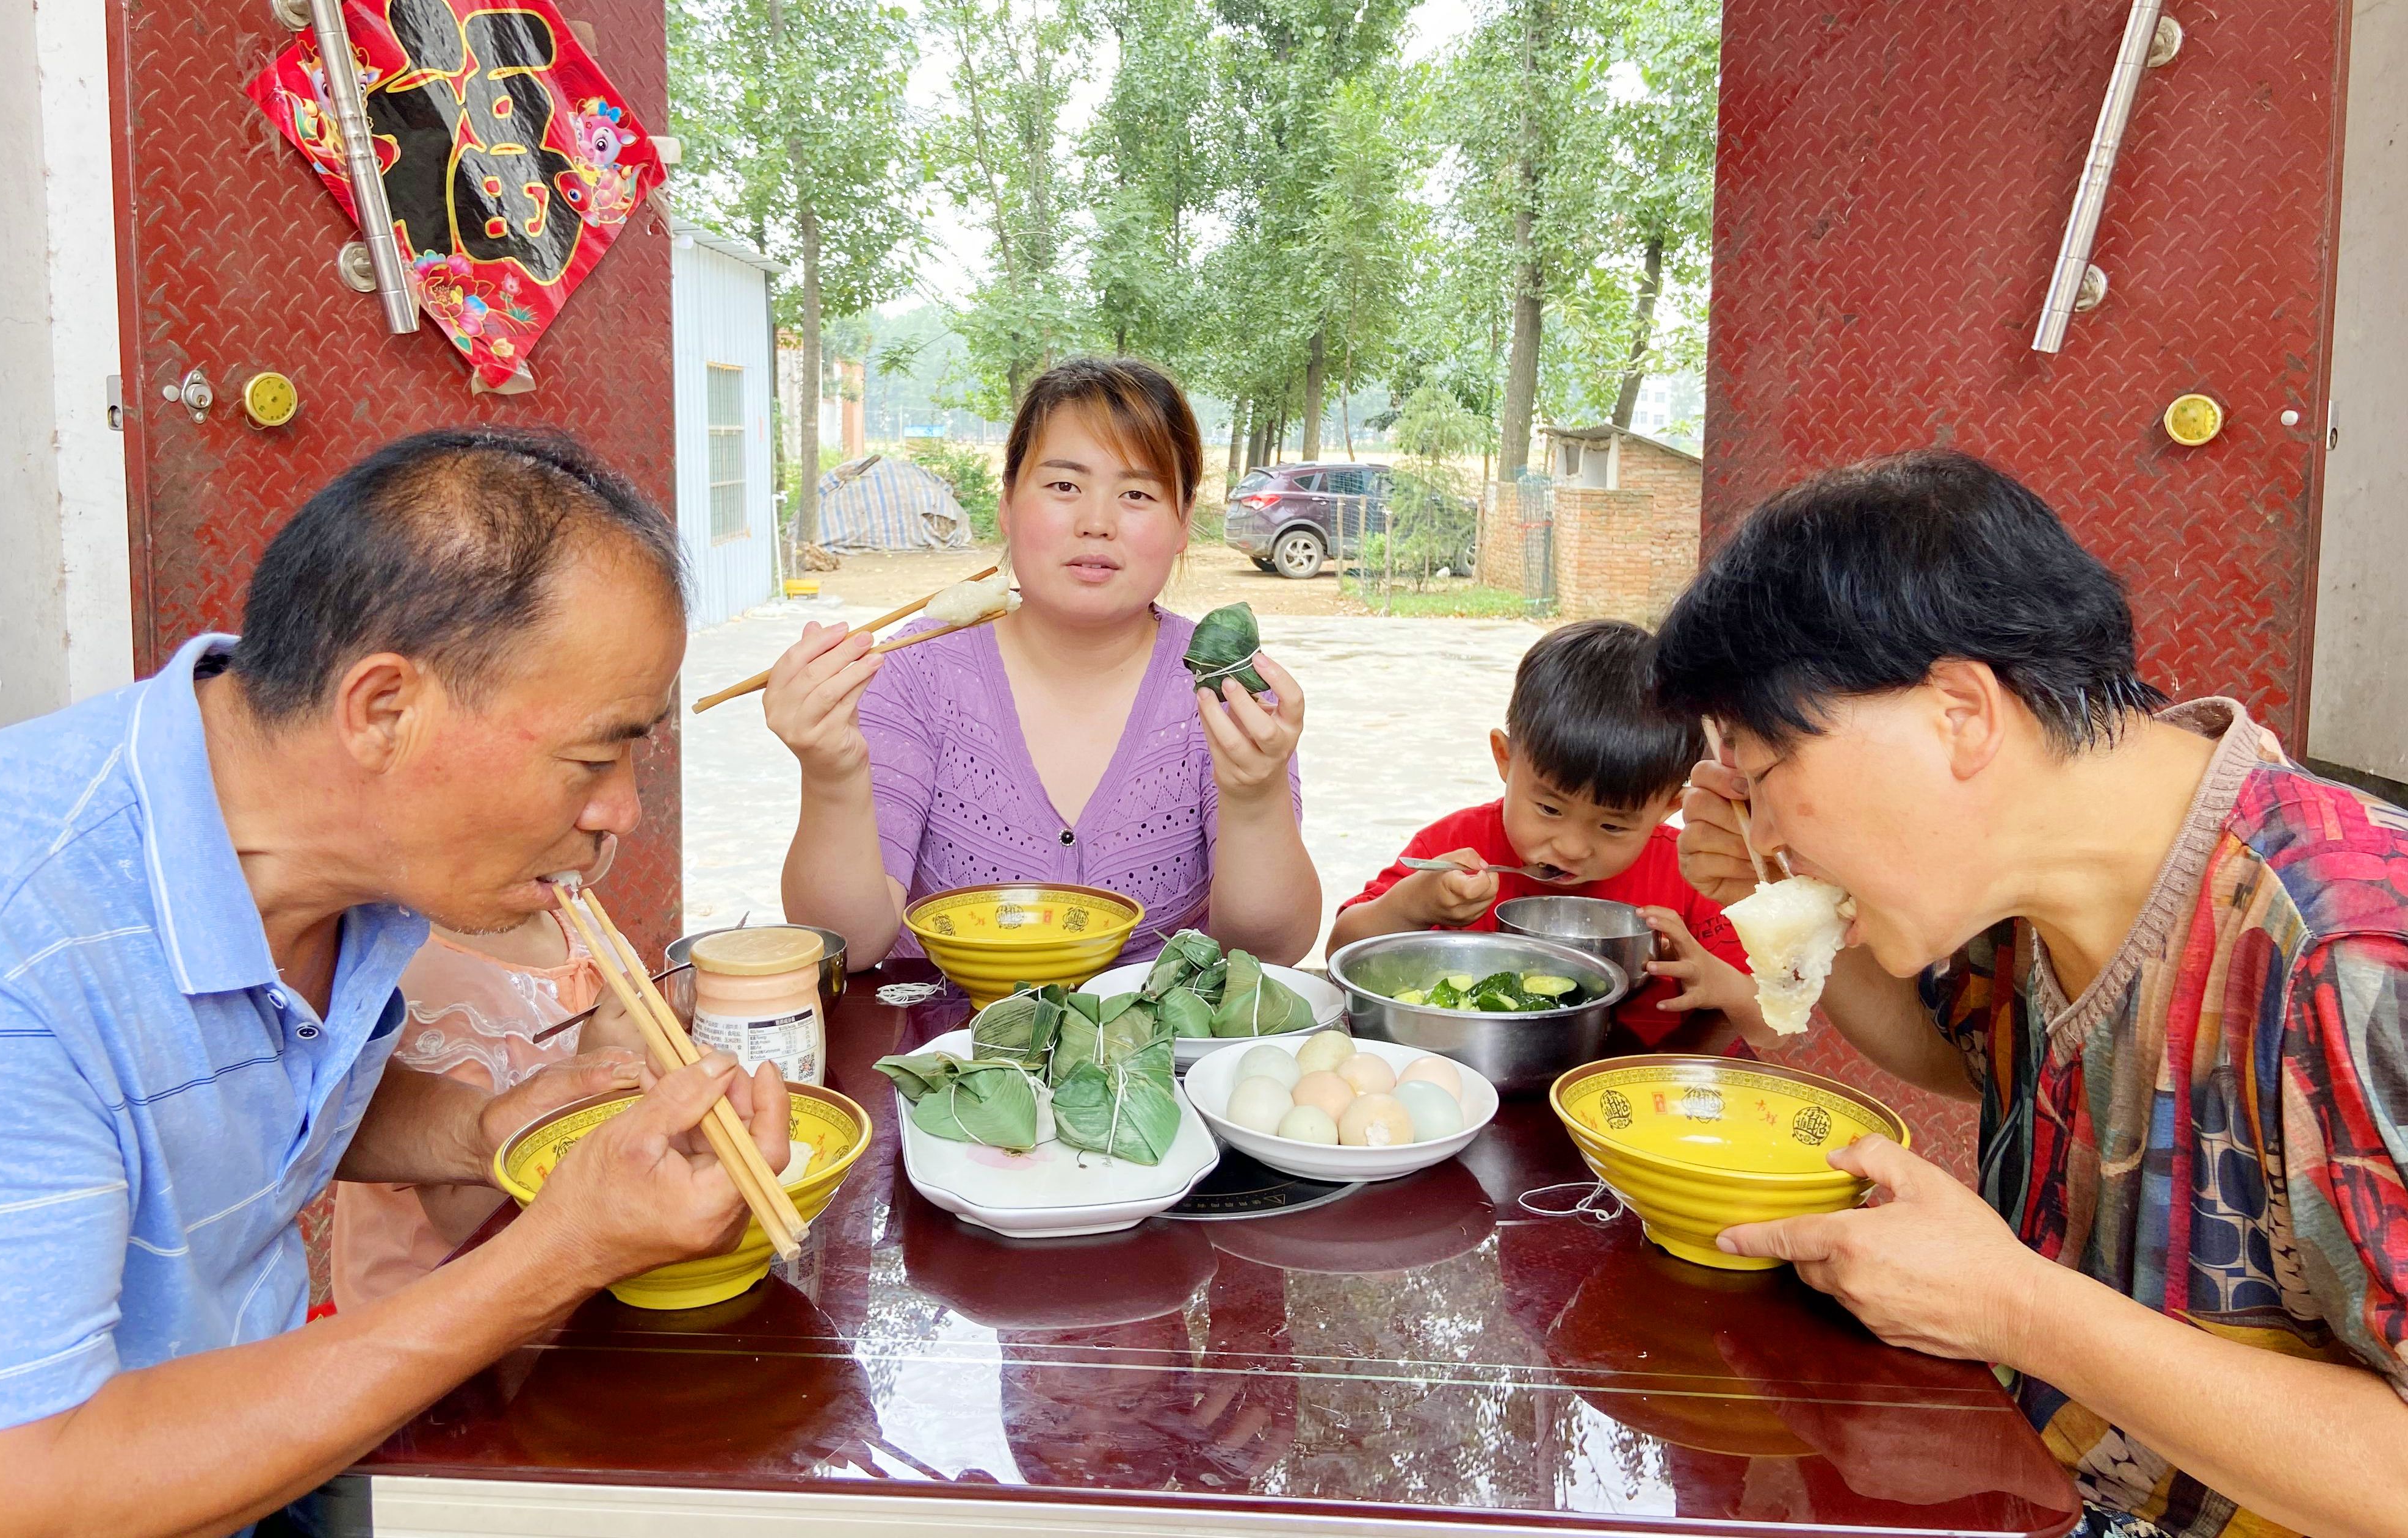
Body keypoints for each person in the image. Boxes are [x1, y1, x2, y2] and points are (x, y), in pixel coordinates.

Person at [0, 428, 792, 1537]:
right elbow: (13, 1492)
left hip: (271, 1441)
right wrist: (561, 1251)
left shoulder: (344, 850)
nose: (621, 812)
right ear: (383, 710)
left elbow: (231, 1098)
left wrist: (483, 1130)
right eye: (595, 758)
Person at [1652, 449, 2408, 1537]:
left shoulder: (2349, 945)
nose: (1757, 827)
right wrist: (1791, 891)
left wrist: (2010, 1307)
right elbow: (1942, 1054)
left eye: (1766, 775)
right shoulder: (2027, 888)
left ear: (1958, 713)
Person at [767, 358, 1321, 968]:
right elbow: (847, 947)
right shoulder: (915, 670)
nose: (1096, 523)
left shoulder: (1222, 685)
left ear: (1184, 522)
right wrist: (830, 777)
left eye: (1137, 494)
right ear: (1006, 505)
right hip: (941, 1054)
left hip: (1152, 1059)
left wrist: (1254, 794)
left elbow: (1270, 951)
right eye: (1063, 486)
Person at [1328, 619, 1762, 1050]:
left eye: (1612, 825)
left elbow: (1771, 1020)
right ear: (1505, 759)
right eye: (1550, 808)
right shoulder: (1453, 848)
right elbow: (1341, 953)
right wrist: (1413, 904)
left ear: (1670, 805)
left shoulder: (1697, 872)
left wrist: (1717, 983)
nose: (1571, 847)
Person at [330, 900, 642, 1310]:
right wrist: (592, 1085)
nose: (612, 830)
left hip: (586, 1264)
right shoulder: (420, 975)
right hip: (442, 1313)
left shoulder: (579, 917)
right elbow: (463, 1224)